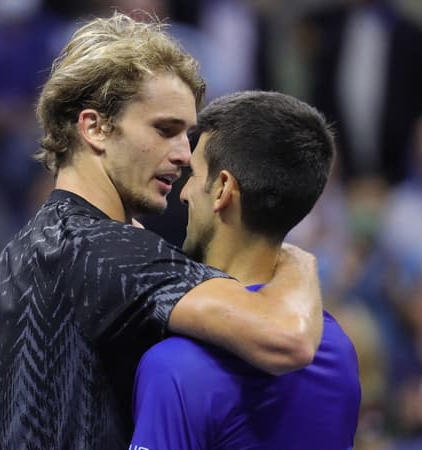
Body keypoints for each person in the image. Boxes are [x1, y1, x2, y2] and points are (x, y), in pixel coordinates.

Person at [0, 13, 324, 449]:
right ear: (95, 127)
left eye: (188, 134)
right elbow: (288, 339)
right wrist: (296, 259)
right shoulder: (111, 252)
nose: (184, 155)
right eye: (165, 130)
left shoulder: (13, 259)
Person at [130, 91, 361, 449]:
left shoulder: (174, 367)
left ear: (222, 189)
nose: (184, 193)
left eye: (194, 174)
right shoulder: (337, 350)